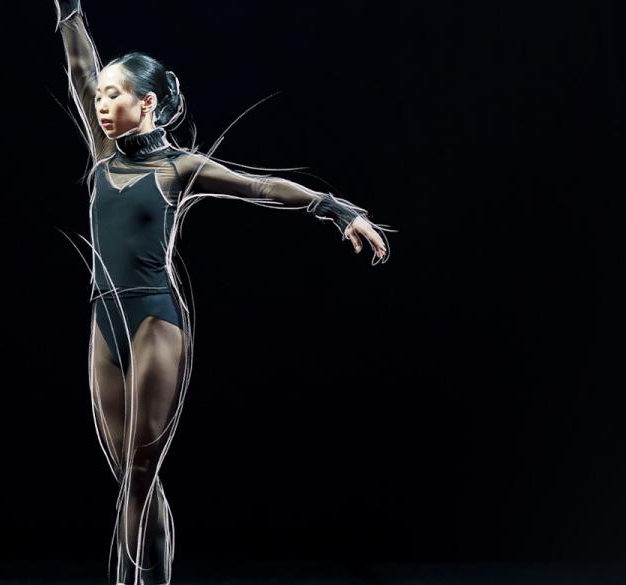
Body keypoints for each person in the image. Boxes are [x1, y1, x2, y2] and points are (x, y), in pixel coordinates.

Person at [54, 1, 392, 583]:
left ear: (147, 102)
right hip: (102, 324)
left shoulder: (178, 168)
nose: (101, 104)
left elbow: (257, 184)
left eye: (115, 95)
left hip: (155, 320)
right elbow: (81, 69)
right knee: (132, 479)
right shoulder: (103, 155)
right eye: (99, 97)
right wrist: (70, 9)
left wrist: (336, 208)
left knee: (138, 474)